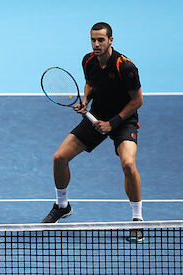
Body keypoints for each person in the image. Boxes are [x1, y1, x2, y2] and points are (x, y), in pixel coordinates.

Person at [41, 22, 145, 242]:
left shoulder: (126, 68)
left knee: (128, 164)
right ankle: (62, 206)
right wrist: (86, 100)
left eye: (101, 40)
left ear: (111, 41)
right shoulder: (88, 61)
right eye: (93, 40)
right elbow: (90, 83)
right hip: (96, 116)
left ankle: (137, 220)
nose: (96, 44)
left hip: (123, 120)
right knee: (59, 157)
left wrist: (112, 123)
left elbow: (137, 101)